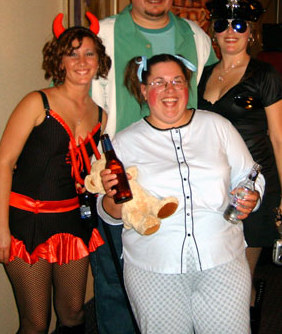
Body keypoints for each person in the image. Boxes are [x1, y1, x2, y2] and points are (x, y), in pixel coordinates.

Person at [89, 0, 217, 333]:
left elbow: (214, 93)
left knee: (181, 282)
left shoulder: (196, 38)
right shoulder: (103, 36)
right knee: (115, 286)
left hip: (182, 184)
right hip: (121, 180)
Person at [97, 54, 264, 334]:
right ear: (143, 90)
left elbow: (251, 175)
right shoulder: (124, 143)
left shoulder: (217, 126)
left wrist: (252, 197)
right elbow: (110, 215)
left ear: (187, 86)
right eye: (158, 82)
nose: (170, 89)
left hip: (222, 260)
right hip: (154, 269)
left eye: (177, 81)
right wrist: (113, 199)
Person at [0, 13, 111, 334]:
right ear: (60, 61)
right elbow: (4, 164)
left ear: (99, 60)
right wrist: (1, 228)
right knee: (36, 323)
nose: (81, 61)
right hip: (28, 223)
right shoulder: (37, 102)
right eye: (72, 54)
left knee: (73, 313)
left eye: (89, 53)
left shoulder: (101, 116)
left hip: (72, 222)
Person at [196, 0, 282, 331]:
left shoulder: (265, 75)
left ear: (251, 32)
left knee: (237, 277)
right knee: (217, 272)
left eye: (239, 24)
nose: (230, 31)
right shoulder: (202, 76)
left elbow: (279, 139)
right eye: (222, 23)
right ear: (213, 30)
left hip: (255, 187)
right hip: (213, 187)